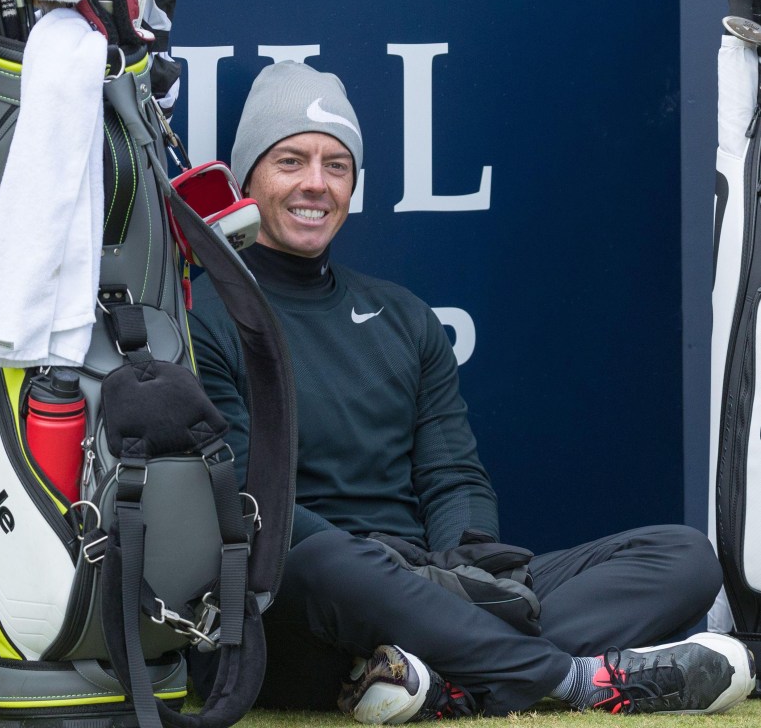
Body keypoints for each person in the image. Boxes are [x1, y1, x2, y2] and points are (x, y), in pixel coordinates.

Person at [187, 60, 755, 721]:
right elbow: (247, 505)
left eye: (335, 165)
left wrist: (469, 564)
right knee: (314, 557)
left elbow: (450, 472)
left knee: (680, 556)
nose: (315, 183)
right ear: (248, 177)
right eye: (290, 160)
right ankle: (570, 679)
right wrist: (393, 579)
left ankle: (427, 678)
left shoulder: (402, 315)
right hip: (305, 595)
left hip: (431, 575)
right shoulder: (203, 312)